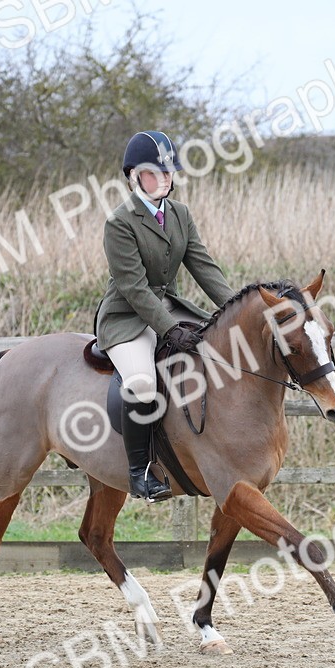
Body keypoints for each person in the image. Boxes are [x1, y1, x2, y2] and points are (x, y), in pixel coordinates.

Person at [94, 130, 236, 502]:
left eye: (168, 171)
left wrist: (238, 308)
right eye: (153, 172)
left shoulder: (180, 214)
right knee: (141, 382)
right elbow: (135, 288)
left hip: (170, 305)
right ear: (133, 176)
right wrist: (170, 328)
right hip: (127, 317)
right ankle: (140, 472)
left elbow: (205, 268)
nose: (163, 179)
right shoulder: (120, 223)